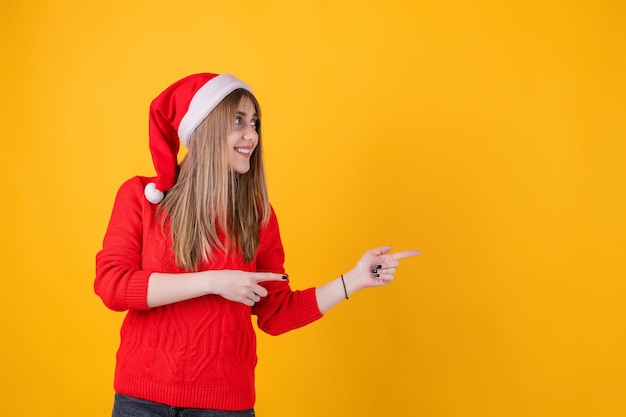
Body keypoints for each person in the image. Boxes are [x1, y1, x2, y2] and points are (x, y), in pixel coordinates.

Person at [95, 72, 419, 417]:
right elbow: (112, 285)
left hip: (224, 408)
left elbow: (276, 313)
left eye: (255, 123)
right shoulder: (142, 199)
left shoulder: (257, 216)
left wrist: (354, 279)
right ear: (205, 127)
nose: (252, 135)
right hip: (140, 404)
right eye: (238, 121)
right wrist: (214, 282)